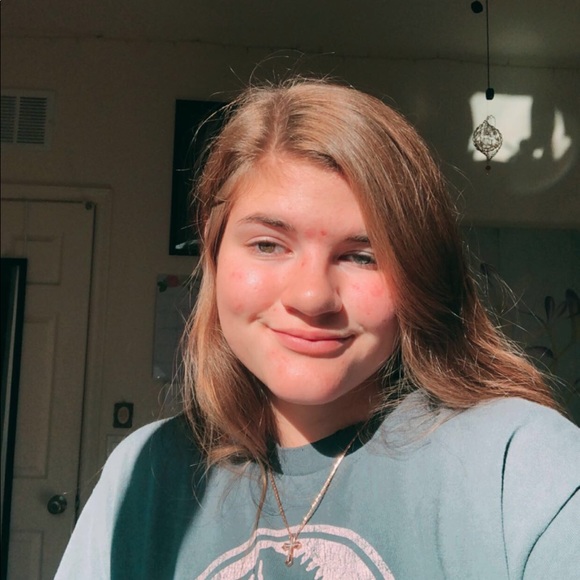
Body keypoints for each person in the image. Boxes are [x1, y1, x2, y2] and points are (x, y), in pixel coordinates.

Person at [56, 78, 579, 579]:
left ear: (419, 277)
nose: (311, 298)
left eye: (362, 256)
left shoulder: (522, 466)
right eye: (268, 245)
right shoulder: (142, 473)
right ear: (213, 254)